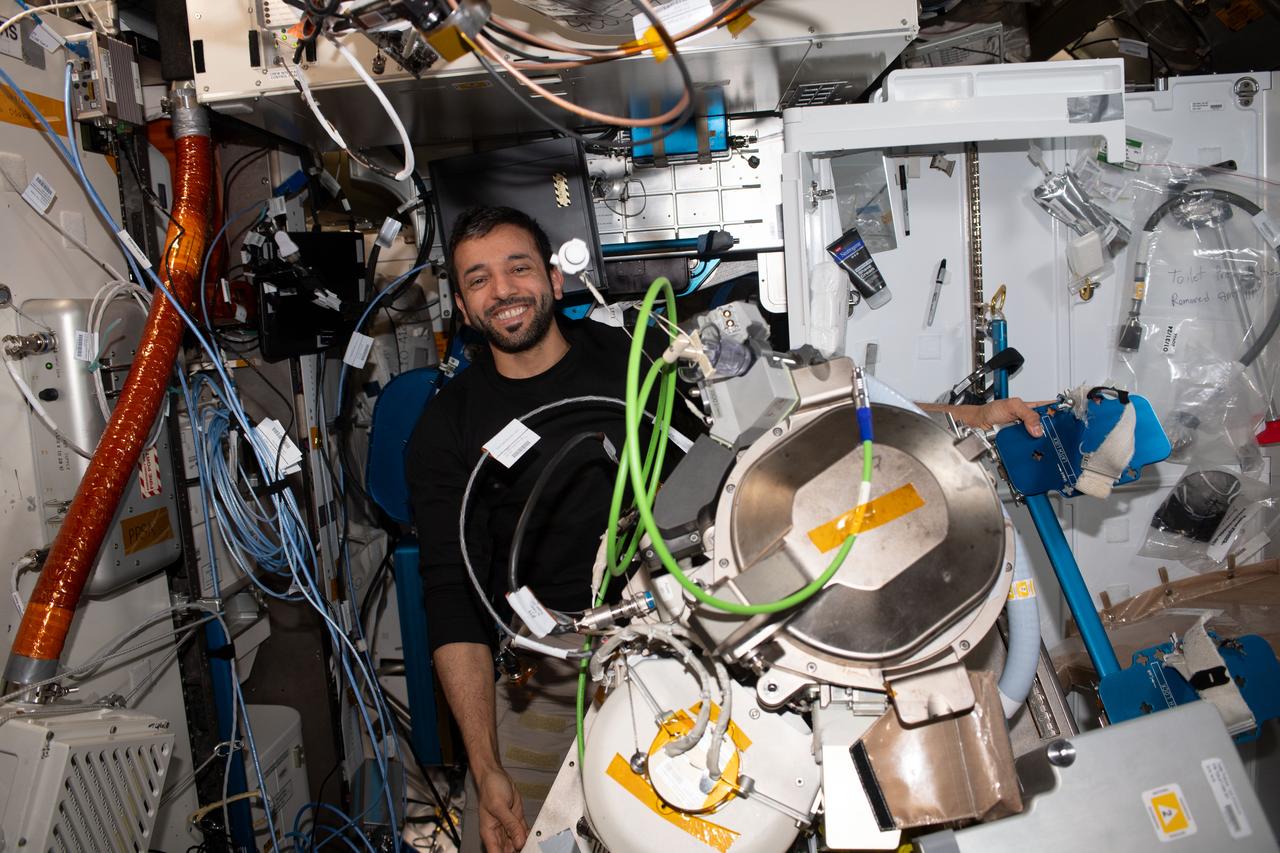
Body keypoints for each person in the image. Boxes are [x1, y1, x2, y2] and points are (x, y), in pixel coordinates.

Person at [405, 205, 1043, 853]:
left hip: (698, 632)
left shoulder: (638, 354)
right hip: (549, 674)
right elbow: (451, 599)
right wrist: (485, 769)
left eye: (519, 268)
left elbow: (809, 415)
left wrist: (968, 415)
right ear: (459, 304)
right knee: (521, 833)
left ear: (556, 278)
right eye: (478, 279)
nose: (504, 290)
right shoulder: (446, 429)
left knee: (725, 825)